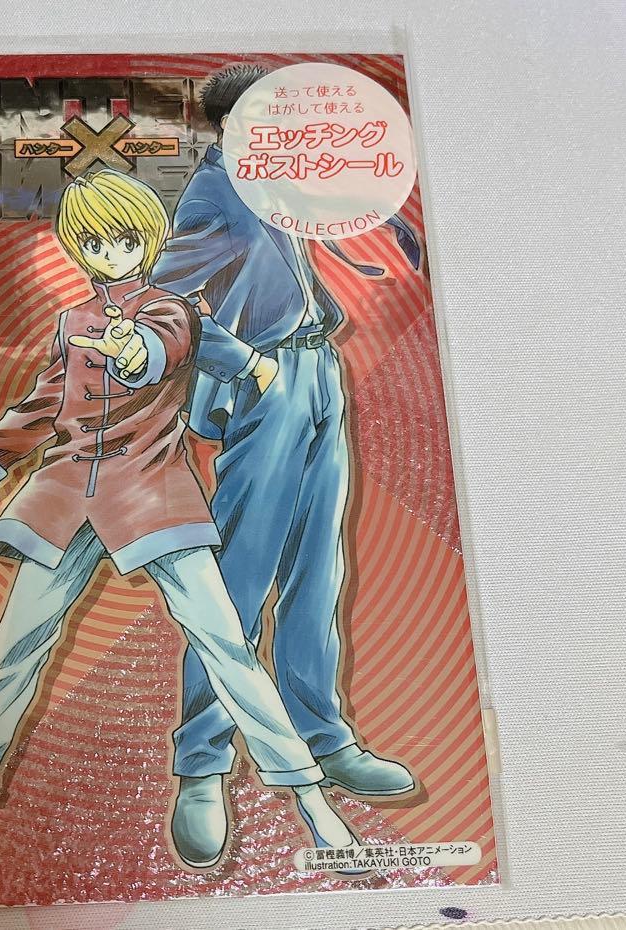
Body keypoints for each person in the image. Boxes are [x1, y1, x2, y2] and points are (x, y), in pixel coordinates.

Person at [0, 169, 366, 883]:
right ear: (77, 248)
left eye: (126, 240)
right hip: (64, 499)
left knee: (228, 647)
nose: (112, 255)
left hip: (152, 498)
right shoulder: (72, 323)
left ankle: (311, 800)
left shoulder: (174, 312)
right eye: (97, 243)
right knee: (11, 655)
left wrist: (150, 355)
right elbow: (41, 408)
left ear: (151, 241)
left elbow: (162, 348)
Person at [150, 65, 421, 869]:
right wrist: (244, 365)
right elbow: (162, 302)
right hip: (267, 384)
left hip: (320, 373)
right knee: (237, 582)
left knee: (317, 572)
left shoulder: (282, 189)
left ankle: (323, 737)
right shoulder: (216, 190)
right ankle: (202, 764)